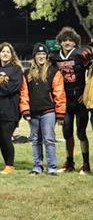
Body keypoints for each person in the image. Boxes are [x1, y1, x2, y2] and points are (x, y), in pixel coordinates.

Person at [49, 27, 93, 175]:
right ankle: (70, 162)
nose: (67, 42)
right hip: (65, 100)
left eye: (70, 40)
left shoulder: (81, 54)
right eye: (64, 40)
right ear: (60, 42)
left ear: (75, 43)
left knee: (81, 132)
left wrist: (86, 92)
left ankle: (86, 164)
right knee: (67, 132)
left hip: (80, 99)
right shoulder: (54, 57)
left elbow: (91, 72)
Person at [20, 43, 66, 175]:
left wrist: (60, 113)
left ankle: (52, 167)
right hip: (33, 113)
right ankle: (37, 166)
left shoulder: (54, 72)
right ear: (34, 56)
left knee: (49, 139)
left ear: (46, 56)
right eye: (38, 54)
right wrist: (25, 110)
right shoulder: (27, 73)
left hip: (48, 112)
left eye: (43, 54)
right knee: (35, 140)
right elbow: (24, 93)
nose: (41, 56)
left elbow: (59, 93)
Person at [0, 42, 23, 175]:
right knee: (1, 138)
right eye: (3, 51)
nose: (5, 54)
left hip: (10, 110)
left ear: (12, 55)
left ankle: (10, 165)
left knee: (6, 137)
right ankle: (7, 164)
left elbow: (13, 87)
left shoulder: (16, 69)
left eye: (8, 51)